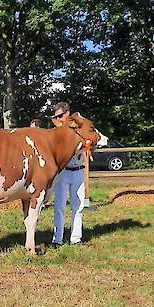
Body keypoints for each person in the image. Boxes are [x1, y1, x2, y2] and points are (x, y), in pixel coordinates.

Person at [50, 102, 87, 245]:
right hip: (63, 172)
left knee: (78, 206)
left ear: (67, 114)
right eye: (56, 117)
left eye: (60, 116)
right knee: (59, 206)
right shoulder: (57, 131)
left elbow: (88, 141)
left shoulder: (79, 127)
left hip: (78, 170)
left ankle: (76, 238)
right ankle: (57, 239)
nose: (58, 119)